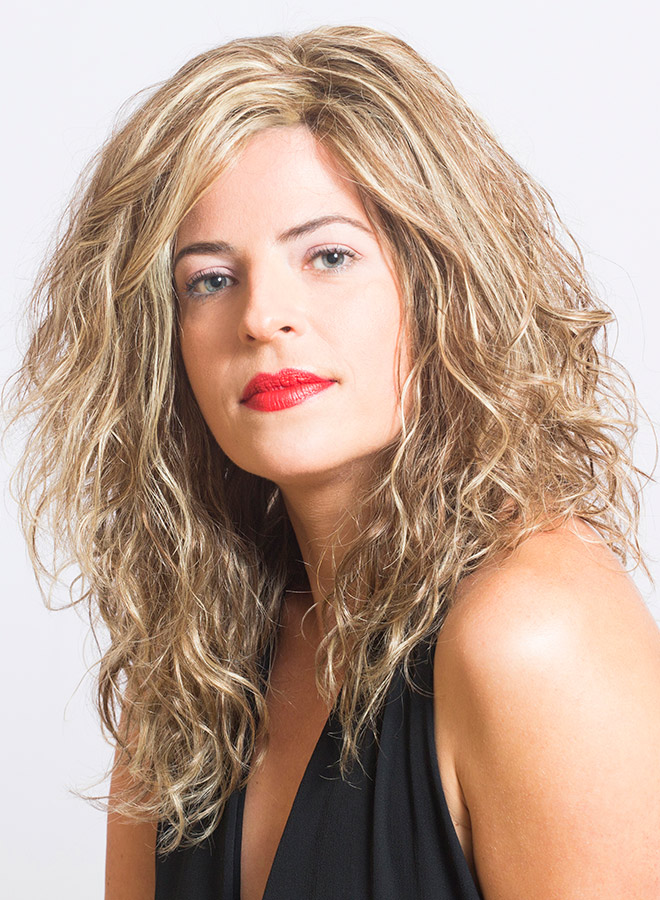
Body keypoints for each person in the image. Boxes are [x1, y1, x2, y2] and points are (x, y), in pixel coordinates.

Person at [6, 24, 660, 900]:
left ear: (440, 284)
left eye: (329, 256)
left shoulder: (535, 633)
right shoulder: (190, 672)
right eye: (210, 279)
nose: (261, 316)